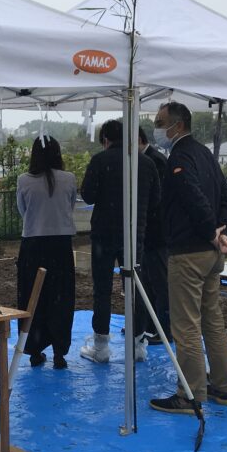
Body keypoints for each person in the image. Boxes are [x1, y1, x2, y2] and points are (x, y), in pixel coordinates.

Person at [149, 102, 227, 415]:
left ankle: (190, 394)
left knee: (186, 326)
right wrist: (224, 230)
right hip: (210, 254)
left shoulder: (181, 156)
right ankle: (224, 387)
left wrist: (213, 232)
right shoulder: (205, 155)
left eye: (160, 123)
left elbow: (191, 196)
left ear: (177, 125)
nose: (157, 129)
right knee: (212, 321)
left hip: (189, 252)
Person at [79, 120, 159, 363]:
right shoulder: (146, 163)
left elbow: (88, 195)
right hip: (135, 234)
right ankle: (138, 346)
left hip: (104, 234)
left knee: (102, 289)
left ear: (105, 140)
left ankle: (101, 347)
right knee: (136, 288)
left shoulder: (100, 161)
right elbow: (156, 200)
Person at [16, 136, 77, 369]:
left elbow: (23, 211)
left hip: (33, 244)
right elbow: (69, 207)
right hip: (61, 245)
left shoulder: (24, 180)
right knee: (61, 297)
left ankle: (34, 350)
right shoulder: (69, 179)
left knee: (32, 298)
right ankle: (60, 352)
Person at [137, 126, 171, 343]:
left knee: (160, 284)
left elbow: (157, 200)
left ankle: (165, 330)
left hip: (157, 233)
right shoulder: (147, 159)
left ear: (139, 140)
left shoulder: (154, 161)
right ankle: (148, 326)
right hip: (147, 234)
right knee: (147, 282)